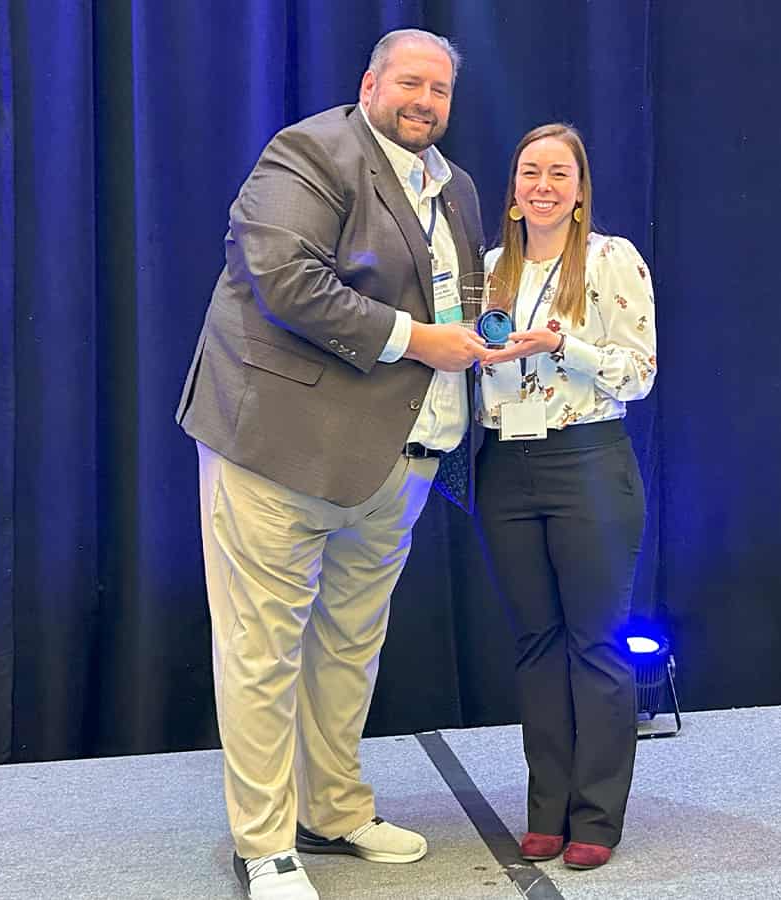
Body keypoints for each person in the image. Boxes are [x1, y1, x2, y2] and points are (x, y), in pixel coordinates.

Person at [175, 28, 488, 900]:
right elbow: (282, 276)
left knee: (351, 645)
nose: (425, 102)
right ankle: (266, 845)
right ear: (370, 83)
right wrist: (419, 338)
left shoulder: (456, 186)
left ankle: (335, 809)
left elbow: (462, 306)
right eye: (410, 84)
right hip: (278, 445)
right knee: (261, 650)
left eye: (441, 91)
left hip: (398, 459)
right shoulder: (312, 149)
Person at [477, 123, 657, 870]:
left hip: (588, 462)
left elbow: (639, 374)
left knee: (596, 645)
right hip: (506, 466)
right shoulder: (489, 269)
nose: (542, 185)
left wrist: (562, 346)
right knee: (537, 645)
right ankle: (545, 807)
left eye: (559, 173)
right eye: (529, 172)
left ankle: (597, 815)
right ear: (513, 189)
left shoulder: (612, 260)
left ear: (580, 191)